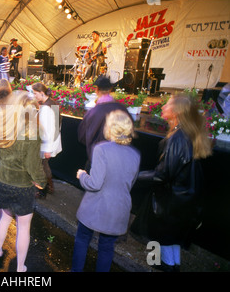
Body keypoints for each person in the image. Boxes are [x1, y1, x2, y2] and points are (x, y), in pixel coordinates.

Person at [131, 94, 212, 272]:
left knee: (162, 249)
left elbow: (163, 174)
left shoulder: (178, 138)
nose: (163, 107)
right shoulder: (187, 134)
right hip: (182, 203)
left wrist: (133, 176)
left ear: (176, 112)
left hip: (171, 205)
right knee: (171, 244)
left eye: (167, 104)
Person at [0, 91, 46, 272]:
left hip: (3, 180)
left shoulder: (4, 127)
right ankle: (20, 267)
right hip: (23, 186)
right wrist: (41, 182)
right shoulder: (32, 132)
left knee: (4, 217)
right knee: (24, 228)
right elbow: (33, 166)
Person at [72, 110, 141, 272]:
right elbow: (130, 183)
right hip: (119, 209)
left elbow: (95, 184)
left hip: (96, 206)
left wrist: (82, 175)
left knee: (82, 239)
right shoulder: (135, 154)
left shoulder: (101, 149)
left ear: (110, 128)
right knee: (107, 247)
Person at [77, 76, 131, 171]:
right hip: (118, 158)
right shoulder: (123, 109)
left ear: (96, 90)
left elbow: (82, 136)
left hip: (97, 158)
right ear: (110, 89)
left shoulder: (93, 112)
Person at [31, 82, 62, 197]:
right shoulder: (52, 103)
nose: (34, 96)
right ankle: (49, 187)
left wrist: (48, 149)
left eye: (35, 94)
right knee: (44, 165)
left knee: (42, 167)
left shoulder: (45, 109)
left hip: (47, 144)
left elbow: (47, 131)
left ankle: (43, 190)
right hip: (52, 142)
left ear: (42, 93)